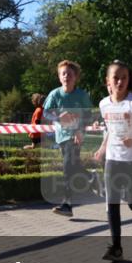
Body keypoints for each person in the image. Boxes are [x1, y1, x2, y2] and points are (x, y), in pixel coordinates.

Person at [93, 61, 132, 262]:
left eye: (124, 78)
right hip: (114, 158)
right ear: (108, 82)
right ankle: (116, 247)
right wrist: (103, 148)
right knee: (112, 202)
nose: (120, 81)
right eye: (116, 78)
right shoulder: (104, 104)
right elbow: (109, 131)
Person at [43, 60, 93, 218]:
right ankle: (91, 176)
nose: (66, 76)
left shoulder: (82, 95)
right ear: (59, 77)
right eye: (63, 74)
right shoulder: (55, 94)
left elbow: (88, 115)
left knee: (67, 169)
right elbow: (46, 113)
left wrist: (80, 130)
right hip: (61, 137)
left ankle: (67, 204)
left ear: (75, 77)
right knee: (73, 166)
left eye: (69, 74)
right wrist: (58, 116)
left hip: (75, 137)